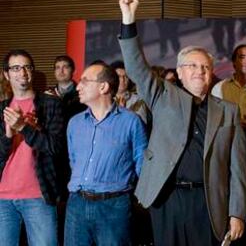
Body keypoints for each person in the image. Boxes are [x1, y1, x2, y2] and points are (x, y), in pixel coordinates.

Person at [118, 0, 246, 245]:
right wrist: (128, 18)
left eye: (205, 67)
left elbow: (237, 168)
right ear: (179, 72)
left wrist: (237, 212)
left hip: (208, 202)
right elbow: (135, 67)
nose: (199, 71)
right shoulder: (163, 95)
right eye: (192, 66)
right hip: (167, 198)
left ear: (212, 74)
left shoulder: (229, 111)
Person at [64, 62, 148, 246]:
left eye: (85, 81)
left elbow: (142, 165)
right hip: (76, 204)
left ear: (103, 87)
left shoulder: (131, 122)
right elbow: (73, 160)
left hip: (114, 206)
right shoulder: (75, 123)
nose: (78, 86)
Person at [0, 49, 64, 245]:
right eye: (16, 68)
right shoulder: (1, 108)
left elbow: (56, 147)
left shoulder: (50, 104)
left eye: (27, 67)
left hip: (38, 196)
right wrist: (8, 136)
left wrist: (24, 129)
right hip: (2, 199)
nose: (23, 73)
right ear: (6, 74)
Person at [45, 55, 85, 124]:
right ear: (54, 72)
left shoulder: (83, 93)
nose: (61, 71)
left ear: (74, 71)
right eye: (58, 68)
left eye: (65, 67)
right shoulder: (47, 94)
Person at [111, 60, 150, 125]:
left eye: (125, 76)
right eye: (119, 76)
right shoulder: (105, 99)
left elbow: (140, 125)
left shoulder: (137, 100)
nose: (122, 80)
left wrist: (123, 113)